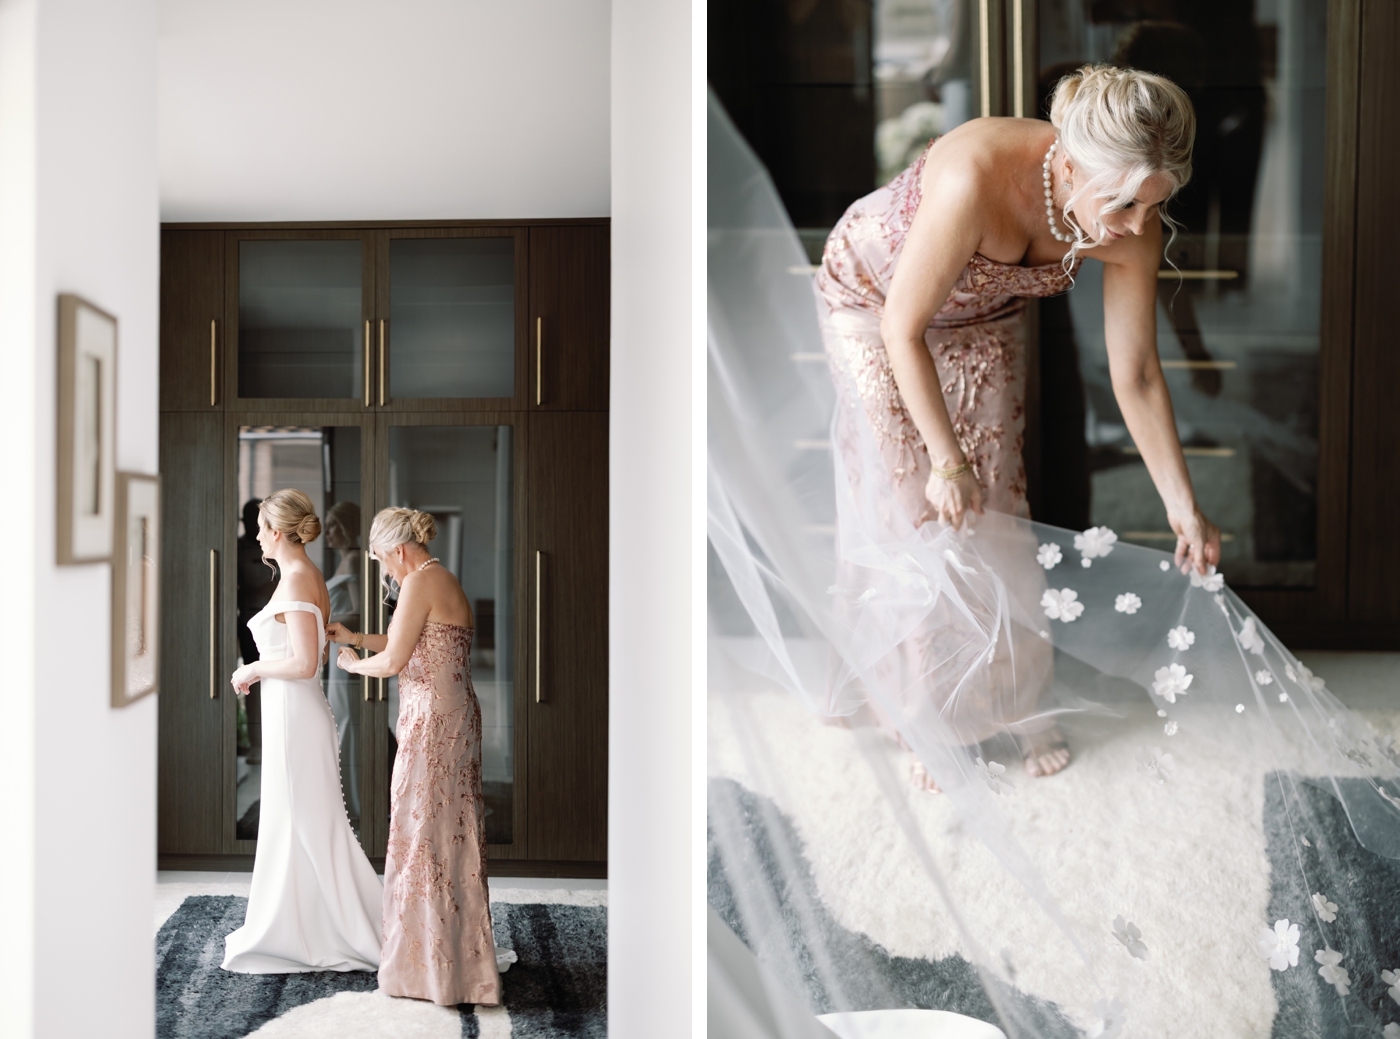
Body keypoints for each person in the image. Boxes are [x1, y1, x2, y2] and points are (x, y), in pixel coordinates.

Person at [816, 64, 1219, 782]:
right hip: (875, 305)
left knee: (998, 498)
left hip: (984, 312)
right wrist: (945, 458)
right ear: (1066, 163)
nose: (1134, 227)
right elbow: (902, 326)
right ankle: (928, 714)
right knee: (916, 502)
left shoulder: (1135, 218)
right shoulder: (975, 175)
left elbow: (1137, 373)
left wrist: (1182, 504)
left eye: (1153, 205)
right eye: (1123, 203)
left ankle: (1017, 702)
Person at [328, 507, 501, 1007]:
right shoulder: (436, 578)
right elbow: (411, 641)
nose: (385, 571)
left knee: (424, 833)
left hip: (433, 725)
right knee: (446, 832)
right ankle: (453, 960)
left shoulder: (419, 582)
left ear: (398, 551)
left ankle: (429, 968)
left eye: (383, 561)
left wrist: (353, 664)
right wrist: (357, 637)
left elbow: (394, 660)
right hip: (451, 716)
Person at [222, 489, 382, 974]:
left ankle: (325, 929)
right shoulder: (302, 573)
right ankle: (302, 924)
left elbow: (303, 661)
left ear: (277, 530)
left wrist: (252, 669)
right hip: (295, 711)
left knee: (308, 823)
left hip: (295, 714)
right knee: (297, 823)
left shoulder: (295, 578)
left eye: (260, 528)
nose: (255, 536)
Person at [323, 499, 363, 826]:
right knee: (341, 720)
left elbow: (362, 611)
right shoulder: (343, 561)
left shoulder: (353, 561)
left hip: (347, 650)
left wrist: (326, 624)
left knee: (346, 721)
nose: (328, 531)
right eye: (327, 524)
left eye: (335, 525)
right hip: (336, 649)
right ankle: (345, 796)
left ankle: (354, 801)